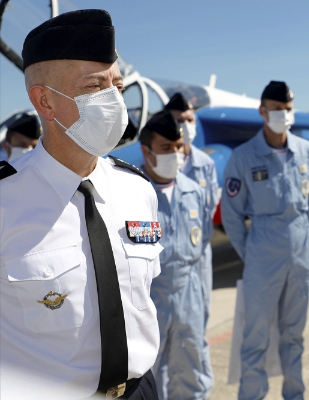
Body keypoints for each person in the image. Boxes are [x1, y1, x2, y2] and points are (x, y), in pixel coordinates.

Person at [0, 9, 163, 399]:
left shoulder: (138, 190)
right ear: (45, 102)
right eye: (94, 88)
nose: (113, 102)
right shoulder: (5, 202)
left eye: (117, 88)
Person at [221, 80, 309, 400]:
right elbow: (232, 215)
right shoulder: (245, 156)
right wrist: (251, 252)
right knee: (256, 337)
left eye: (288, 110)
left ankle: (295, 395)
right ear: (263, 111)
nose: (284, 115)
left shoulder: (305, 151)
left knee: (294, 335)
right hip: (263, 246)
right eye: (277, 110)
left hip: (301, 247)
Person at [139, 110, 213, 399]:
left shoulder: (195, 192)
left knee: (192, 374)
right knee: (146, 377)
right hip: (148, 297)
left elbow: (203, 238)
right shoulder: (133, 194)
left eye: (178, 148)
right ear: (147, 151)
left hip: (188, 295)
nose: (175, 154)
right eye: (165, 148)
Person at [164, 92, 219, 395]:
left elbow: (209, 210)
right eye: (179, 119)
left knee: (197, 330)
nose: (186, 125)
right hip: (167, 263)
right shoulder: (156, 163)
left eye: (190, 119)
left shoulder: (205, 165)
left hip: (199, 259)